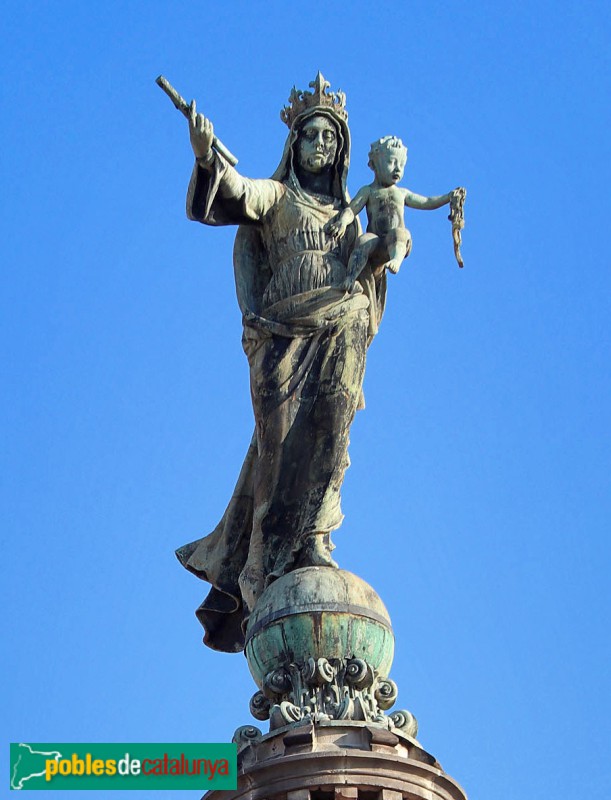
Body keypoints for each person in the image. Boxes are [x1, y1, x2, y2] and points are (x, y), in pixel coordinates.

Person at [175, 75, 387, 653]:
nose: (320, 145)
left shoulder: (350, 212)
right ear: (294, 146)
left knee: (331, 437)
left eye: (329, 138)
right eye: (310, 136)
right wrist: (206, 156)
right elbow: (236, 192)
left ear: (341, 152)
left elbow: (377, 262)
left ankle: (315, 534)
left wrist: (389, 241)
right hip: (281, 338)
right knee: (280, 446)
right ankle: (261, 558)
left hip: (340, 328)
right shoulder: (277, 196)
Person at [326, 135, 462, 290]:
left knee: (400, 233)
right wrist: (343, 222)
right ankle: (350, 278)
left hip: (396, 241)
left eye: (401, 165)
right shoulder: (368, 191)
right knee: (363, 241)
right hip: (376, 241)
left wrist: (448, 197)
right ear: (376, 164)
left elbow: (426, 201)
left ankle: (396, 259)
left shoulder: (401, 193)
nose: (398, 169)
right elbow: (352, 209)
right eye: (392, 162)